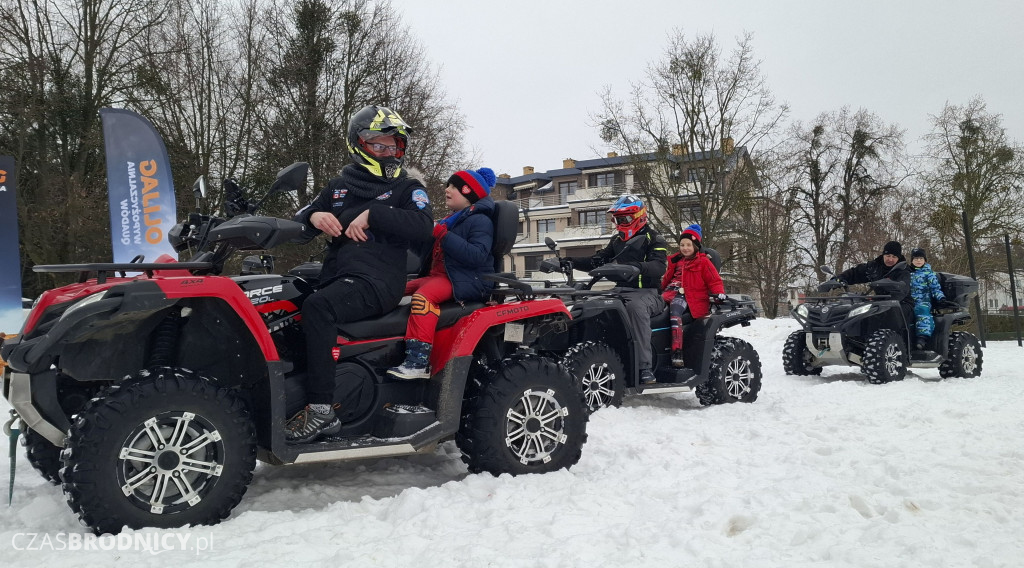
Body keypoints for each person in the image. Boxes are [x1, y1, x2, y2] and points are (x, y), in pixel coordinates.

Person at [286, 105, 433, 443]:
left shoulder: (407, 189)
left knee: (319, 307)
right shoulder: (338, 187)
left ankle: (322, 410)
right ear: (358, 144)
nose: (389, 152)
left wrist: (374, 214)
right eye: (380, 145)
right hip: (338, 277)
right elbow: (299, 223)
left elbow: (425, 226)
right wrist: (312, 219)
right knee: (284, 302)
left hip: (378, 282)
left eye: (394, 146)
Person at [387, 168, 497, 379]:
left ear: (468, 192)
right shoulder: (452, 221)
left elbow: (477, 256)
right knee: (393, 290)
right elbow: (427, 253)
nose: (447, 190)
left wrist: (442, 235)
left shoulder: (480, 220)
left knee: (423, 297)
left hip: (464, 279)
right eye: (448, 185)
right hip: (441, 276)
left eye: (454, 186)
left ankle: (418, 361)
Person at [562, 195, 668, 385]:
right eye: (617, 219)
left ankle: (644, 367)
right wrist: (569, 262)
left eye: (625, 218)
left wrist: (637, 267)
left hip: (648, 293)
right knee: (591, 305)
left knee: (635, 309)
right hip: (619, 290)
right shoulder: (616, 241)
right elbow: (598, 260)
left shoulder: (654, 238)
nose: (620, 223)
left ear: (639, 216)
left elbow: (659, 266)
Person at [660, 224, 726, 367]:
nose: (685, 248)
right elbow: (666, 280)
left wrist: (719, 293)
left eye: (689, 245)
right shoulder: (676, 261)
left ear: (696, 245)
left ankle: (677, 350)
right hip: (668, 293)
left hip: (687, 296)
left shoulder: (703, 262)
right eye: (682, 244)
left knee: (675, 313)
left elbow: (714, 280)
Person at [833, 240, 914, 327]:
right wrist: (839, 279)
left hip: (902, 303)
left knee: (887, 312)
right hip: (879, 301)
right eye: (888, 255)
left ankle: (889, 338)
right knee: (856, 310)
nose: (890, 259)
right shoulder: (874, 267)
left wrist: (885, 301)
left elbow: (901, 290)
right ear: (883, 255)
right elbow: (856, 273)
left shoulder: (903, 271)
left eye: (894, 257)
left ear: (899, 258)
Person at [908, 247, 957, 350]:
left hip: (923, 301)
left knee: (922, 311)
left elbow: (935, 288)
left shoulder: (929, 274)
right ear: (912, 260)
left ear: (925, 260)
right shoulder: (907, 273)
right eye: (916, 259)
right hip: (908, 301)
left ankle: (922, 337)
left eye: (921, 259)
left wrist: (941, 298)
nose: (918, 261)